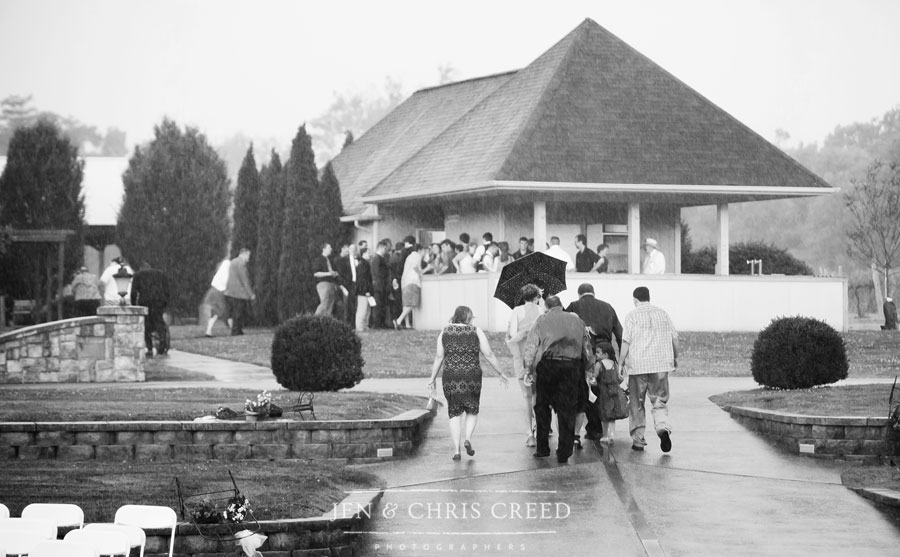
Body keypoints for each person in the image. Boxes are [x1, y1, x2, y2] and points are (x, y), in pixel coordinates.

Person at [428, 305, 510, 460]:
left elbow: (439, 357)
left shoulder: (445, 331)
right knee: (472, 409)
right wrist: (501, 372)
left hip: (451, 375)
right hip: (472, 375)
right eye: (472, 317)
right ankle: (468, 439)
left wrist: (432, 379)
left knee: (454, 412)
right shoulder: (476, 331)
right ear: (467, 318)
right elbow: (489, 354)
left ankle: (456, 451)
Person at [523, 295, 594, 464]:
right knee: (567, 409)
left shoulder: (542, 319)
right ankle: (564, 451)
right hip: (572, 367)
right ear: (562, 306)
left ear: (547, 307)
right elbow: (587, 348)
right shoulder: (577, 321)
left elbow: (531, 346)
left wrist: (528, 369)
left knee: (542, 407)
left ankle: (542, 448)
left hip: (549, 366)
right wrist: (589, 368)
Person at [619, 286, 678, 453]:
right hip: (660, 365)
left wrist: (621, 363)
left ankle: (638, 439)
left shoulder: (631, 316)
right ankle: (662, 428)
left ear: (635, 300)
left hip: (638, 366)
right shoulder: (663, 314)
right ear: (649, 297)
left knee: (637, 402)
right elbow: (675, 338)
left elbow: (626, 341)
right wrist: (676, 357)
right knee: (659, 401)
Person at [565, 283, 623, 440]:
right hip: (605, 352)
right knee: (604, 388)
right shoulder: (607, 307)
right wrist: (620, 359)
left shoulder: (573, 306)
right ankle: (605, 426)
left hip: (585, 352)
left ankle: (593, 427)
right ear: (593, 293)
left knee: (588, 388)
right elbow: (619, 332)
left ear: (579, 294)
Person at [506, 284, 545, 447]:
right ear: (537, 297)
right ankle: (540, 427)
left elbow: (514, 335)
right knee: (539, 396)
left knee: (526, 397)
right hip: (539, 357)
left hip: (522, 358)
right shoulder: (542, 311)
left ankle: (530, 433)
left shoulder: (516, 311)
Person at [130, 261, 170, 357]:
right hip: (158, 300)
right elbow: (167, 289)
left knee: (146, 324)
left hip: (145, 301)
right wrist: (165, 303)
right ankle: (162, 343)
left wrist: (134, 305)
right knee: (159, 321)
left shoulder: (138, 275)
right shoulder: (160, 274)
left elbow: (133, 292)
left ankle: (149, 348)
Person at [592, 341, 627, 444]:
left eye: (598, 352)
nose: (596, 354)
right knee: (613, 414)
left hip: (604, 393)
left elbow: (594, 377)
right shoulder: (614, 364)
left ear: (605, 354)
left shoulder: (599, 364)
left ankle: (605, 435)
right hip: (615, 392)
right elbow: (619, 379)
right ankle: (612, 434)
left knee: (604, 415)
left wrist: (591, 381)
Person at [394, 244, 426, 329]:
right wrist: (423, 272)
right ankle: (398, 320)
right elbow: (416, 268)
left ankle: (407, 324)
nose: (424, 253)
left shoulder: (409, 256)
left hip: (405, 282)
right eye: (424, 250)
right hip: (412, 281)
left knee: (406, 304)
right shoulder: (417, 256)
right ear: (420, 250)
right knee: (413, 303)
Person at [224, 247, 254, 336]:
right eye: (248, 255)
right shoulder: (241, 263)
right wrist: (250, 294)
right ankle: (236, 331)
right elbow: (244, 279)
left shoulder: (233, 262)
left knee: (236, 312)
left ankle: (237, 330)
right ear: (243, 254)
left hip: (231, 291)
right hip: (239, 293)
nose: (249, 258)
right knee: (239, 313)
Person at [203, 258, 232, 337]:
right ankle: (232, 328)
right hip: (219, 293)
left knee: (216, 313)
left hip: (214, 291)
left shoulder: (219, 273)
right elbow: (225, 284)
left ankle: (208, 331)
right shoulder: (225, 274)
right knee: (223, 311)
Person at [335, 243, 361, 325]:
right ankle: (346, 323)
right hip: (347, 284)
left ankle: (353, 323)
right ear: (349, 250)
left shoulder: (358, 260)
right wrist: (342, 286)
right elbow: (341, 274)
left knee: (354, 305)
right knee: (346, 305)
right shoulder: (343, 260)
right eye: (351, 249)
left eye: (354, 249)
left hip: (356, 284)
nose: (353, 251)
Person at [369, 240, 392, 328]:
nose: (386, 250)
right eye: (385, 248)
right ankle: (377, 323)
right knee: (378, 306)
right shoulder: (377, 259)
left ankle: (381, 323)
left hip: (381, 286)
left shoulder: (379, 258)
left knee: (381, 305)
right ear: (381, 248)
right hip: (379, 286)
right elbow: (377, 273)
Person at [313, 242, 339, 316]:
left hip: (331, 284)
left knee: (330, 305)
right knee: (324, 303)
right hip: (323, 284)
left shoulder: (330, 260)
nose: (331, 249)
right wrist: (329, 273)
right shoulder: (318, 260)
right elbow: (316, 273)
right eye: (329, 247)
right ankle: (314, 320)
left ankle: (326, 323)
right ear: (323, 249)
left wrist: (334, 274)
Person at [354, 246, 373, 332]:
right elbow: (363, 279)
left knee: (366, 308)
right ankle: (360, 326)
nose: (370, 254)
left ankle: (364, 325)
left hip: (364, 290)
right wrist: (366, 290)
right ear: (364, 254)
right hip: (363, 290)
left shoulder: (364, 263)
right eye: (368, 252)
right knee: (363, 308)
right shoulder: (363, 264)